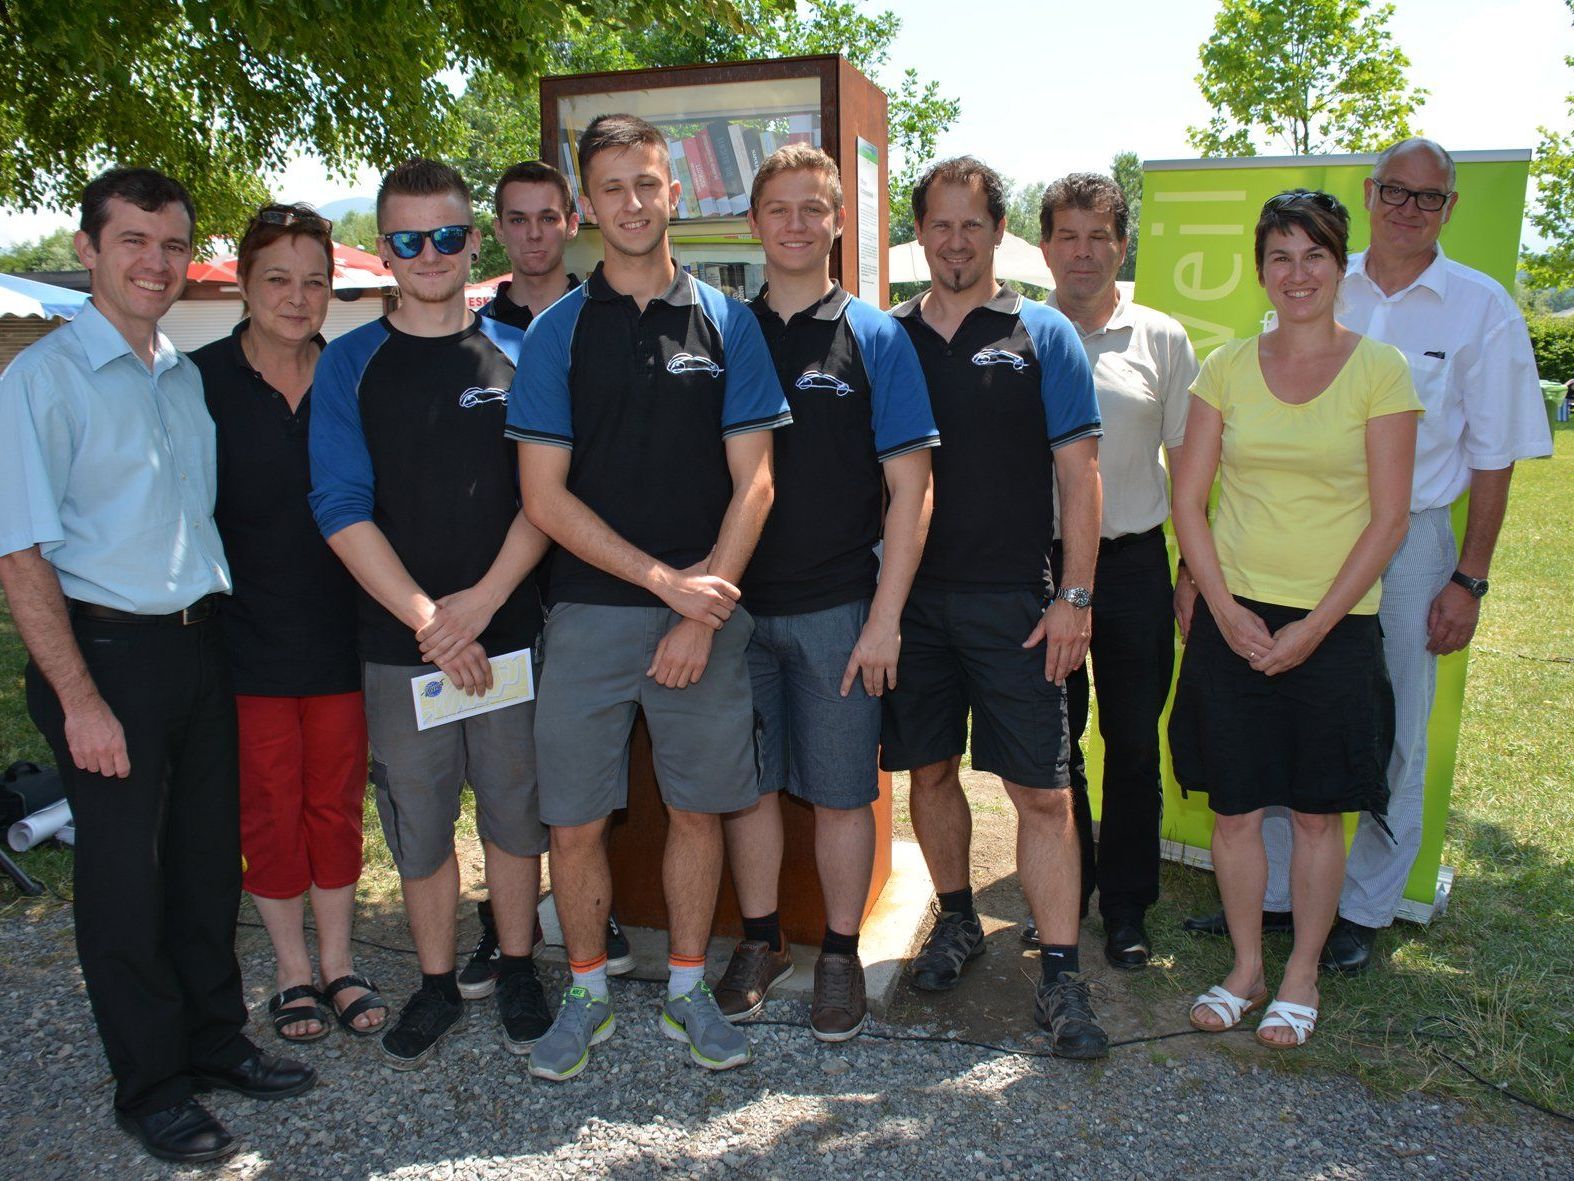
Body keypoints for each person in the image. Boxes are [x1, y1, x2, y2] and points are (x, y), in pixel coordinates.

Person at [0, 168, 314, 1165]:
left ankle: (216, 1042)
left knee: (199, 865)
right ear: (89, 248)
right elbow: (19, 554)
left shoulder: (180, 374)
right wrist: (81, 700)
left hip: (196, 643)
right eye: (133, 240)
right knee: (124, 886)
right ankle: (153, 1085)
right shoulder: (38, 382)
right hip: (105, 656)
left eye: (173, 245)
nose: (155, 261)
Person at [1197, 140, 1555, 972]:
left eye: (1428, 198)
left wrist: (1469, 575)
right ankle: (1277, 894)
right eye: (1395, 191)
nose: (1409, 209)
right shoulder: (1316, 275)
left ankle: (1366, 905)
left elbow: (1495, 453)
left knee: (1391, 728)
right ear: (1370, 192)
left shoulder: (1482, 306)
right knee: (1289, 715)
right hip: (1303, 539)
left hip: (1413, 535)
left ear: (1450, 209)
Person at [508, 113, 790, 1081]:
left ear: (676, 193)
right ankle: (583, 989)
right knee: (575, 820)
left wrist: (693, 607)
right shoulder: (555, 333)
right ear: (588, 206)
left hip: (705, 616)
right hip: (588, 611)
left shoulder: (728, 320)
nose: (632, 202)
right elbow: (542, 497)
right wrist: (663, 585)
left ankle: (683, 989)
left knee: (697, 808)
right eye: (613, 187)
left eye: (648, 183)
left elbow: (755, 481)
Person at [309, 158, 553, 1069]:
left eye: (446, 235)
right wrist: (429, 622)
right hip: (401, 644)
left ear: (472, 240)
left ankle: (521, 965)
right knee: (419, 823)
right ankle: (439, 982)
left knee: (514, 816)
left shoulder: (523, 354)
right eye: (408, 240)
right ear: (383, 250)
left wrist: (483, 605)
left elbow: (547, 496)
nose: (429, 254)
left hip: (510, 636)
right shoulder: (351, 363)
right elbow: (340, 506)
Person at [1169, 190, 1421, 1047]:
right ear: (1261, 268)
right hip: (1233, 615)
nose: (1297, 272)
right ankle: (1246, 966)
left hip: (1336, 622)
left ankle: (1302, 971)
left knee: (1318, 811)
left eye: (1313, 255)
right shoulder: (1226, 367)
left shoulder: (1381, 371)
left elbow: (1389, 518)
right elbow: (1190, 501)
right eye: (1280, 255)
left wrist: (1312, 629)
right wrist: (1227, 609)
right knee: (1235, 807)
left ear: (1339, 265)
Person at [884, 157, 1108, 1058]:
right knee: (928, 773)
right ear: (920, 232)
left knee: (1043, 792)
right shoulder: (886, 335)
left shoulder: (1042, 333)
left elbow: (1080, 477)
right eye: (938, 224)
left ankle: (1060, 971)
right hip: (912, 602)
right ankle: (959, 918)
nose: (953, 240)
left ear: (997, 233)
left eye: (971, 224)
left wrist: (1074, 596)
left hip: (1018, 601)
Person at [714, 144, 938, 1040]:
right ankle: (763, 940)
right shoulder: (728, 331)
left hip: (841, 609)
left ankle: (839, 954)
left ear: (840, 222)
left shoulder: (876, 337)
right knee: (751, 788)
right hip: (734, 608)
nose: (798, 224)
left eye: (815, 208)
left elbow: (913, 488)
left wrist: (885, 618)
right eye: (781, 208)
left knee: (844, 792)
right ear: (755, 222)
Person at [189, 203, 385, 1043]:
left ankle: (338, 963)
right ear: (243, 282)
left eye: (314, 281)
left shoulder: (352, 374)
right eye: (278, 278)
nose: (297, 297)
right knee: (268, 809)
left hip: (345, 634)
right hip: (244, 640)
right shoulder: (196, 382)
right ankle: (292, 971)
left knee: (336, 805)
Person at [463, 158, 635, 997]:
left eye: (547, 217)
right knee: (508, 767)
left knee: (581, 767)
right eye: (516, 219)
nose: (533, 233)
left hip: (583, 579)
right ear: (499, 229)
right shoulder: (471, 332)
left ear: (575, 222)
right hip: (494, 580)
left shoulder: (597, 318)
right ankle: (501, 924)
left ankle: (588, 912)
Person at [1024, 172, 1198, 970]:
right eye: (1068, 235)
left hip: (1131, 566)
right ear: (1045, 245)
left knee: (1131, 740)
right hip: (1037, 567)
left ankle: (1127, 905)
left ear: (1123, 244)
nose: (1083, 252)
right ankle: (1068, 891)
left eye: (1100, 235)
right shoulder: (1016, 333)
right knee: (1054, 745)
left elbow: (1191, 469)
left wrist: (1192, 570)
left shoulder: (1161, 338)